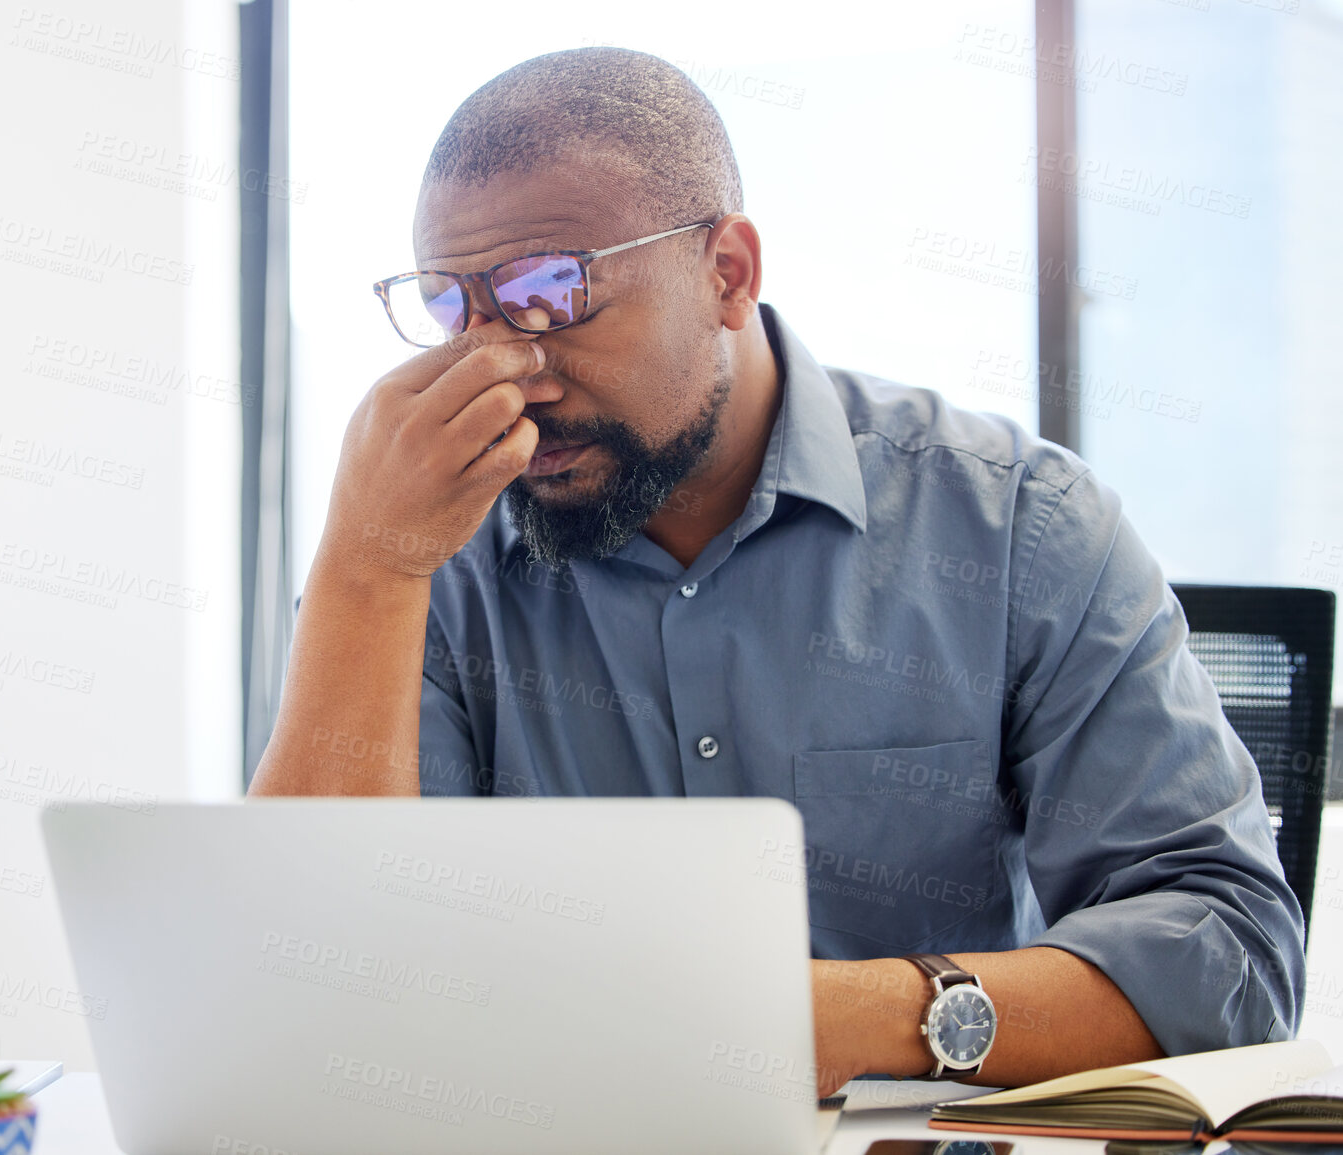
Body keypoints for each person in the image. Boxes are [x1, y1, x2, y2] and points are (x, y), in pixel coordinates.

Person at [248, 47, 1304, 1096]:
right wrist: (368, 566)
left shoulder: (1018, 530)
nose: (501, 368)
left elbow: (1233, 954)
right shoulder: (425, 559)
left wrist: (848, 1018)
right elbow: (295, 1002)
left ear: (728, 274)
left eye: (550, 293)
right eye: (452, 308)